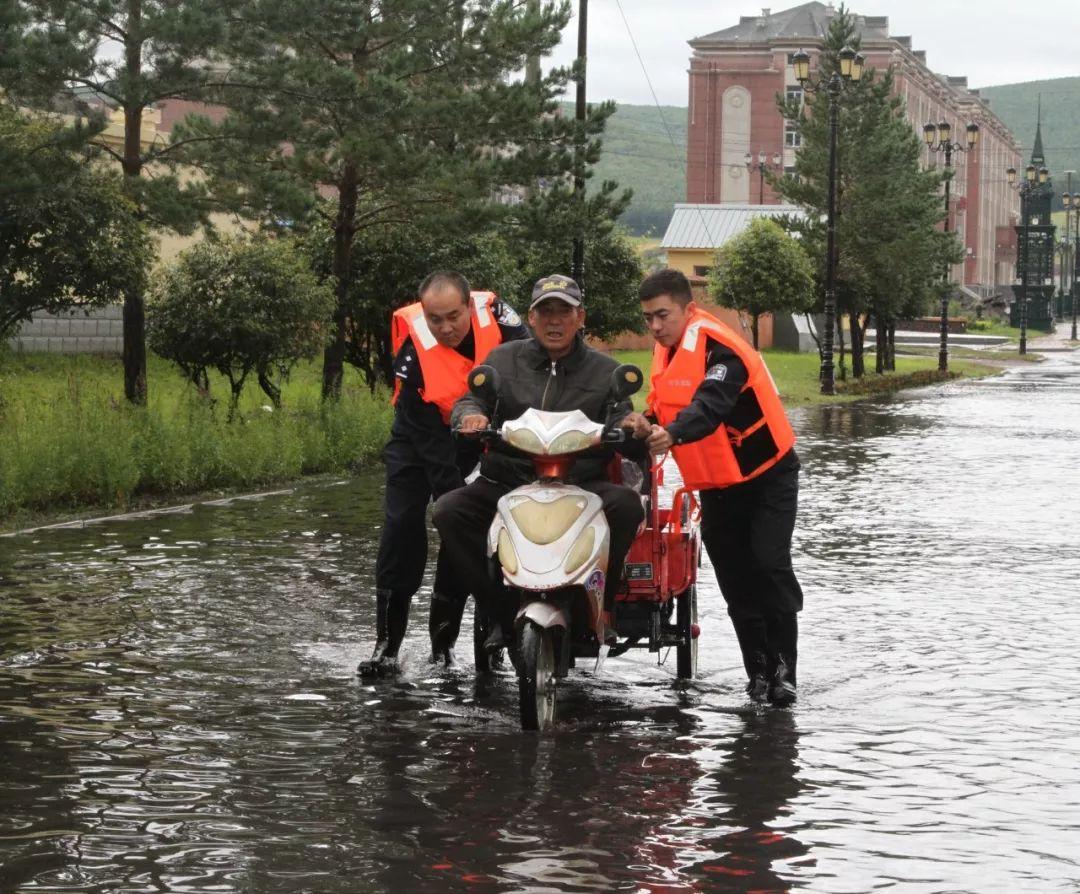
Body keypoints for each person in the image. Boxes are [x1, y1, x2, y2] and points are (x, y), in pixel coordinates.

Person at [432, 274, 646, 650]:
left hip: (580, 484)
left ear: (580, 318)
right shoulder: (501, 359)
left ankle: (601, 607)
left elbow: (621, 417)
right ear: (530, 318)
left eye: (564, 311)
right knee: (449, 510)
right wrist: (470, 418)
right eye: (544, 311)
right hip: (508, 481)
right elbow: (471, 400)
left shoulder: (604, 370)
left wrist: (630, 425)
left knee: (627, 506)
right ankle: (497, 610)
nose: (554, 320)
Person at [626, 268, 804, 705]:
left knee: (768, 564)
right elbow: (660, 405)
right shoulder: (665, 351)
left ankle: (783, 673)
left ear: (688, 309)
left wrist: (672, 433)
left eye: (662, 315)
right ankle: (756, 674)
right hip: (717, 486)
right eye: (648, 317)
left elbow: (710, 405)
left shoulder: (724, 350)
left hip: (768, 478)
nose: (654, 325)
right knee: (734, 580)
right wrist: (642, 422)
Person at [358, 271, 528, 677]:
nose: (446, 327)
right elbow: (423, 432)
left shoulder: (505, 324)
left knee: (465, 528)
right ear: (424, 315)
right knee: (402, 523)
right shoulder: (413, 347)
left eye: (453, 316)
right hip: (420, 439)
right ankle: (387, 643)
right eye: (436, 320)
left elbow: (531, 374)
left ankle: (444, 645)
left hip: (483, 435)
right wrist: (450, 487)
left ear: (469, 306)